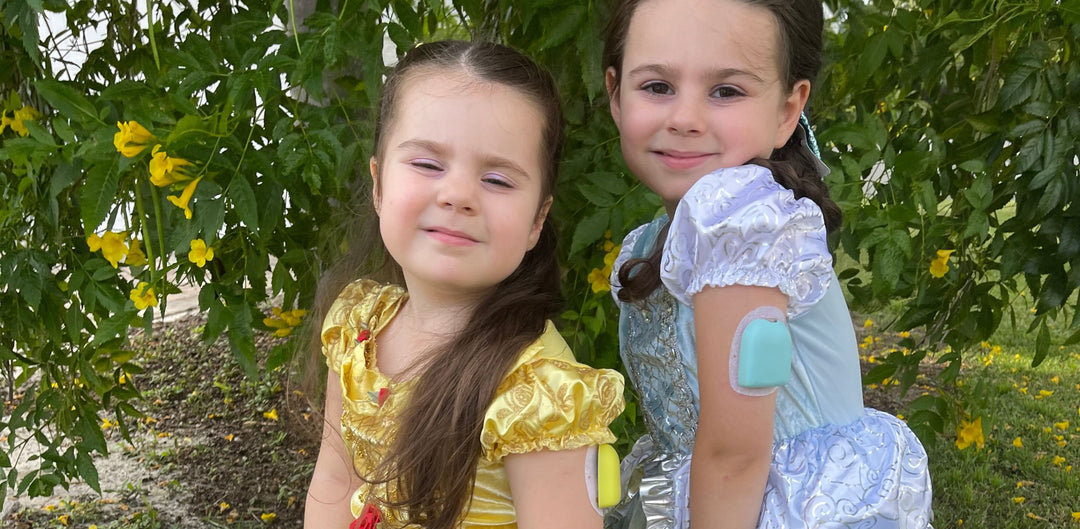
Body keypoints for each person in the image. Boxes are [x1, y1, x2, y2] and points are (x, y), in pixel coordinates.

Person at [600, 0, 934, 527]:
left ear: (787, 110)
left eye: (726, 90)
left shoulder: (742, 223)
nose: (685, 118)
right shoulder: (651, 244)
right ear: (615, 95)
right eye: (657, 86)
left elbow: (735, 456)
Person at [304, 40, 625, 529]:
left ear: (537, 219)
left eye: (497, 179)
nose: (457, 195)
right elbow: (335, 481)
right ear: (378, 185)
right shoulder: (356, 326)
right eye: (428, 165)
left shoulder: (538, 394)